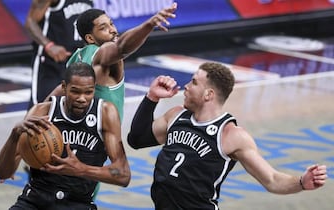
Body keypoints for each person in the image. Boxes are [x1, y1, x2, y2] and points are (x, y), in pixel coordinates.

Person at [127, 62, 328, 209]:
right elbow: (136, 140)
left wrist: (301, 182)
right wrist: (151, 98)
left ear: (208, 95)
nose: (187, 86)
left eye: (194, 82)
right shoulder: (176, 116)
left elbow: (272, 179)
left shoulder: (231, 135)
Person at [0, 62, 130, 210]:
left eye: (88, 92)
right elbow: (3, 173)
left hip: (78, 204)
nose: (82, 98)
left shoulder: (105, 113)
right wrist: (14, 136)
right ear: (64, 87)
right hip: (35, 200)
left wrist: (81, 169)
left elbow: (123, 175)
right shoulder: (42, 112)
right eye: (75, 91)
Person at [48, 2, 178, 121]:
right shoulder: (102, 54)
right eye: (104, 28)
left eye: (111, 23)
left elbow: (59, 91)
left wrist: (37, 113)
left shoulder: (76, 57)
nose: (113, 30)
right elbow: (121, 47)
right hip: (101, 139)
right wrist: (149, 24)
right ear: (90, 38)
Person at [25, 0, 93, 109]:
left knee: (76, 109)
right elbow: (30, 22)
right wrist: (49, 45)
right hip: (51, 63)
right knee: (41, 109)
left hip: (79, 63)